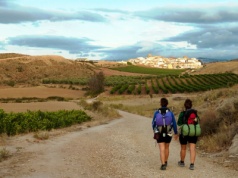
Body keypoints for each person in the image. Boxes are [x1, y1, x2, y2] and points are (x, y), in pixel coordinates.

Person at [152, 97, 178, 170]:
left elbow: (153, 123)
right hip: (168, 132)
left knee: (161, 149)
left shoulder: (156, 112)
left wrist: (155, 131)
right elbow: (174, 124)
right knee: (167, 147)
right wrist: (176, 133)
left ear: (160, 104)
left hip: (159, 132)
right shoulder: (170, 113)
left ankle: (163, 164)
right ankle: (166, 161)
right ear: (167, 104)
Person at [177, 98, 199, 170]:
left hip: (184, 133)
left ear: (185, 105)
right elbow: (197, 122)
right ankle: (192, 164)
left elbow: (179, 123)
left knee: (183, 148)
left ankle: (182, 162)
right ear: (191, 105)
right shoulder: (195, 113)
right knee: (192, 148)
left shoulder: (182, 113)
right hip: (193, 132)